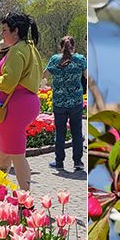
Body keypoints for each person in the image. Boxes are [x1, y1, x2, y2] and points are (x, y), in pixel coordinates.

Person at [0, 13, 45, 190]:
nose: (1, 34)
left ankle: (24, 199)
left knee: (17, 155)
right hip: (24, 104)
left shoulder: (17, 50)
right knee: (4, 153)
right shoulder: (30, 47)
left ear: (16, 31)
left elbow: (8, 82)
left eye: (5, 30)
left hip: (14, 108)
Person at [48, 34, 87, 173]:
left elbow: (45, 74)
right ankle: (78, 162)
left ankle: (59, 163)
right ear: (74, 46)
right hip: (75, 101)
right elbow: (87, 76)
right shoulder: (80, 59)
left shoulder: (54, 60)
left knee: (60, 133)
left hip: (59, 102)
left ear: (60, 47)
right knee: (77, 132)